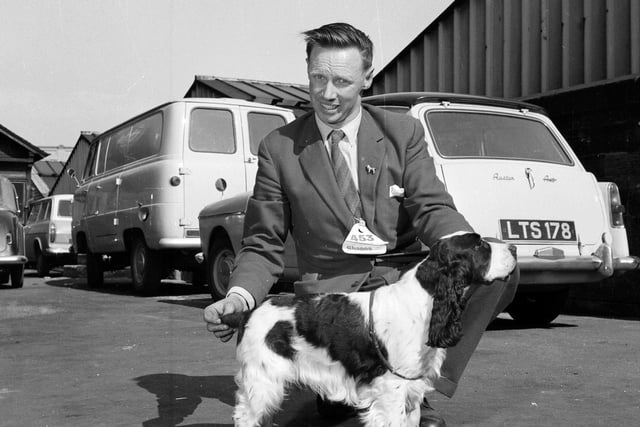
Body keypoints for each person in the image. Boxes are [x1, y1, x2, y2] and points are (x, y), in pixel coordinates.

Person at [204, 22, 518, 427]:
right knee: (338, 407)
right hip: (335, 306)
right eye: (318, 78)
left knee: (499, 266)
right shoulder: (278, 148)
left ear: (367, 78)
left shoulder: (402, 132)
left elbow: (432, 206)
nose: (327, 93)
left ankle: (416, 384)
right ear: (307, 71)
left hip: (399, 291)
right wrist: (240, 298)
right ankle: (338, 381)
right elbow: (263, 242)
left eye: (341, 80)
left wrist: (465, 247)